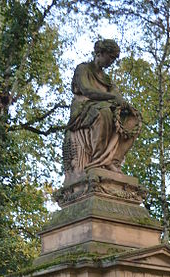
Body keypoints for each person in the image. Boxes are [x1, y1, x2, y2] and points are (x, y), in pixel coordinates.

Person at [63, 39, 141, 183]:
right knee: (104, 113)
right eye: (110, 57)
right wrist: (111, 97)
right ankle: (99, 161)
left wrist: (125, 106)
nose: (112, 61)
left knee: (132, 120)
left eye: (114, 58)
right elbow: (87, 90)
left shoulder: (106, 78)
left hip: (103, 106)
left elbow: (117, 95)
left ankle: (114, 160)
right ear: (100, 53)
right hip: (84, 107)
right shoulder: (83, 69)